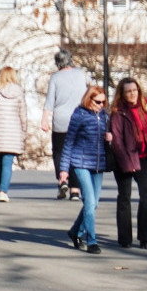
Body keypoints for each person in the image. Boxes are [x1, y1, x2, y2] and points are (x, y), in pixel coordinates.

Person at [108, 77, 147, 249]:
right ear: (122, 94)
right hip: (124, 159)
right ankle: (125, 239)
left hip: (144, 156)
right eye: (128, 91)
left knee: (146, 196)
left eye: (135, 90)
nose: (133, 94)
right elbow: (116, 140)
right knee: (124, 197)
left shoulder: (145, 107)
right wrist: (126, 162)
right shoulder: (118, 113)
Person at [59, 85, 110, 255]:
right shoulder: (79, 115)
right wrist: (64, 170)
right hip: (80, 163)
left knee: (94, 203)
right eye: (98, 102)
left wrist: (109, 138)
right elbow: (69, 142)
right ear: (89, 100)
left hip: (98, 164)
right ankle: (92, 241)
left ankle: (75, 231)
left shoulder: (104, 116)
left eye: (104, 102)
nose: (101, 105)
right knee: (89, 202)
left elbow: (107, 137)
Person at [42, 49, 89, 200]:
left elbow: (50, 101)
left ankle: (63, 179)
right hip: (80, 118)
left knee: (59, 152)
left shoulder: (55, 77)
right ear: (71, 59)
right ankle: (75, 190)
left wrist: (44, 119)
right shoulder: (82, 74)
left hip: (61, 120)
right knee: (77, 153)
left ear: (57, 63)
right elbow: (89, 94)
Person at [0, 66, 28, 202]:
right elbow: (23, 114)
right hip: (13, 132)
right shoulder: (19, 91)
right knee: (7, 163)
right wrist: (24, 131)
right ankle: (3, 191)